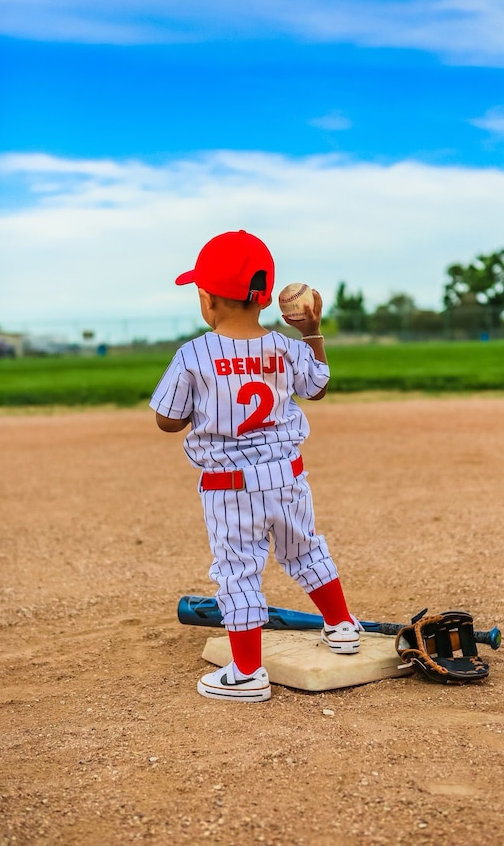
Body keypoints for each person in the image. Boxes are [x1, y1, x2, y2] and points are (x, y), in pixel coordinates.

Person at [150, 230, 361, 702]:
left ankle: (246, 672)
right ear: (267, 298)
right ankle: (342, 626)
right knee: (304, 550)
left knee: (238, 571)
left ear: (207, 301)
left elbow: (167, 420)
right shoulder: (286, 348)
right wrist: (311, 332)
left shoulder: (194, 355)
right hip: (287, 477)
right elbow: (318, 387)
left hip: (230, 487)